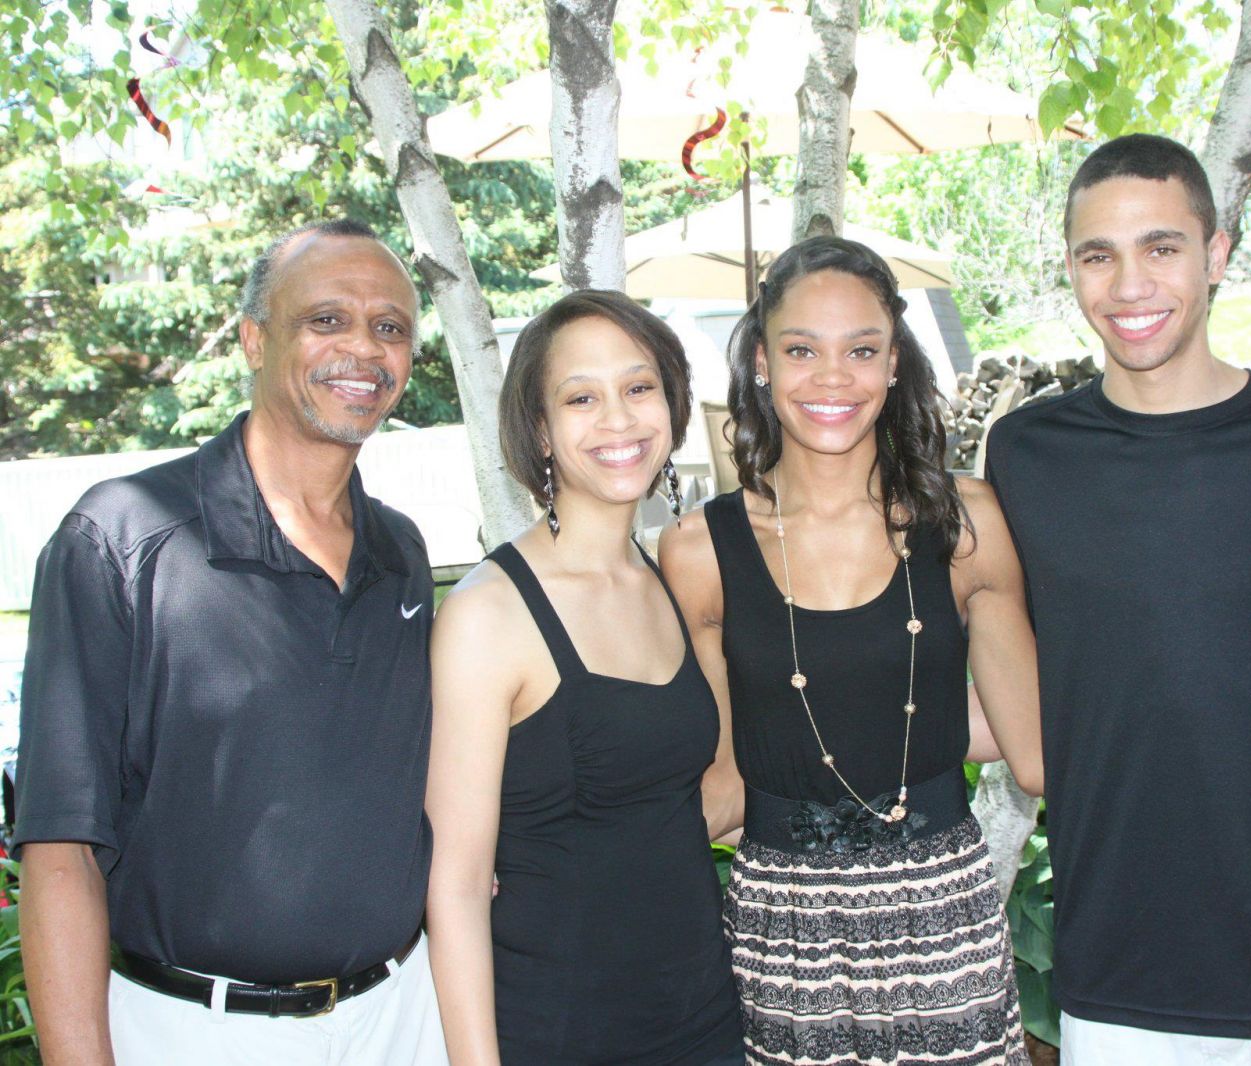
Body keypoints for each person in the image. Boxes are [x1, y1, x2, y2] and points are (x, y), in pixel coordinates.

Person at [982, 134, 1251, 1065]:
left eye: (1161, 247)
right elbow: (1034, 682)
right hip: (1108, 967)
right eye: (1097, 255)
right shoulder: (1027, 457)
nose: (1129, 285)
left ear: (1217, 254)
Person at [14, 219, 446, 1064]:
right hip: (197, 1031)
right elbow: (60, 850)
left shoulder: (402, 553)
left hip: (401, 1018)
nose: (363, 348)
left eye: (390, 327)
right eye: (327, 319)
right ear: (255, 339)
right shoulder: (120, 537)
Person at [660, 235, 1043, 1064]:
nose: (833, 379)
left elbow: (1038, 755)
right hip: (784, 933)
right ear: (762, 360)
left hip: (945, 920)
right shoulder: (698, 551)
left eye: (861, 350)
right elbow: (718, 790)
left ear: (895, 362)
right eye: (802, 350)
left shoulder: (966, 522)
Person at [425, 290, 744, 1066]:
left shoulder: (670, 576)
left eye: (638, 388)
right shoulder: (489, 616)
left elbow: (710, 800)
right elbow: (457, 886)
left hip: (703, 1015)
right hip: (557, 1029)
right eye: (580, 398)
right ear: (539, 428)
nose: (619, 420)